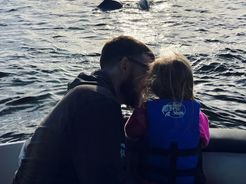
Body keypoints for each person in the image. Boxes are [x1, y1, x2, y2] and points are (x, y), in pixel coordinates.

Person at [13, 35, 155, 184]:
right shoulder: (97, 102)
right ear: (125, 65)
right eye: (148, 71)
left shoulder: (87, 95)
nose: (150, 82)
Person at [125, 53, 210, 184]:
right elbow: (205, 141)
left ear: (153, 84)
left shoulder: (145, 112)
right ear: (189, 83)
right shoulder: (199, 115)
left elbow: (130, 132)